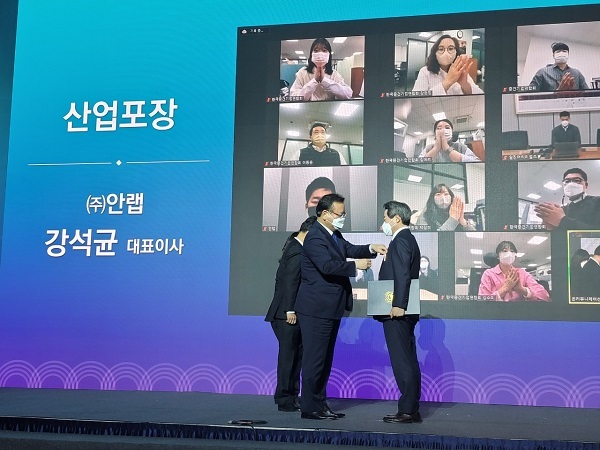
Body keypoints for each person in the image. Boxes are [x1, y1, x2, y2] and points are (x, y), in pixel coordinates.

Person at [295, 193, 387, 420]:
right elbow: (326, 266)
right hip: (316, 309)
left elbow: (348, 248)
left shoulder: (333, 234)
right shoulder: (315, 237)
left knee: (325, 360)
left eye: (344, 214)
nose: (342, 218)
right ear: (325, 214)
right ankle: (310, 407)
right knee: (315, 360)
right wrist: (355, 267)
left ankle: (320, 404)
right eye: (340, 214)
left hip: (330, 308)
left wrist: (371, 248)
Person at [375, 200, 422, 424]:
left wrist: (399, 304)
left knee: (402, 360)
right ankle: (410, 408)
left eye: (385, 219)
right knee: (406, 359)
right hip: (400, 309)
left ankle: (408, 410)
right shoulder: (404, 239)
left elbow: (403, 274)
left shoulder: (402, 239)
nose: (383, 223)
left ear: (396, 218)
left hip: (398, 311)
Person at [265, 216, 317, 412]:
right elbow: (290, 282)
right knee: (289, 357)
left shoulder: (297, 248)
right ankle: (285, 398)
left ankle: (292, 396)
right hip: (286, 315)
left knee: (296, 356)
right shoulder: (296, 250)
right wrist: (290, 309)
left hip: (293, 313)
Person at [478, 240, 550, 302]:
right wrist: (505, 288)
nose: (509, 254)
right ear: (498, 256)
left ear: (515, 256)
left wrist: (522, 290)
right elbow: (482, 300)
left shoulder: (522, 273)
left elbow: (545, 296)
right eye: (505, 251)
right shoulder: (488, 274)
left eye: (512, 251)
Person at [412, 34, 483, 96]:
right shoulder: (425, 71)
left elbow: (480, 95)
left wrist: (465, 85)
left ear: (456, 52)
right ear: (435, 53)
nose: (446, 53)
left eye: (451, 48)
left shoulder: (461, 70)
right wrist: (447, 82)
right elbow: (416, 99)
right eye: (441, 49)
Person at [534, 168, 600, 230]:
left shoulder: (597, 202)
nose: (571, 184)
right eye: (567, 181)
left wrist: (562, 221)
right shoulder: (562, 209)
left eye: (577, 180)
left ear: (586, 185)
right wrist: (548, 227)